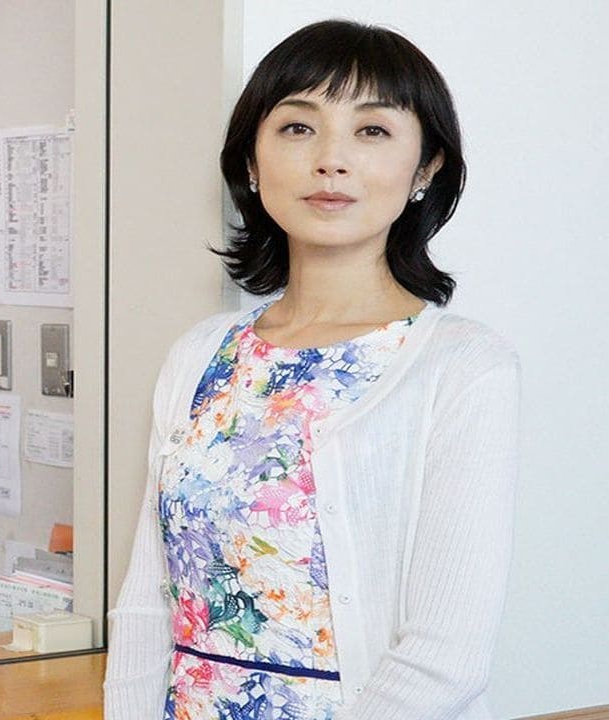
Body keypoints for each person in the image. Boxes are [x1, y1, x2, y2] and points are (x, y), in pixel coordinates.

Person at [104, 20, 519, 720]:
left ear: (426, 169)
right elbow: (149, 602)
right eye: (298, 128)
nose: (332, 160)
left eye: (372, 131)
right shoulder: (200, 355)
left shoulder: (463, 366)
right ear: (251, 161)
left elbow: (448, 656)